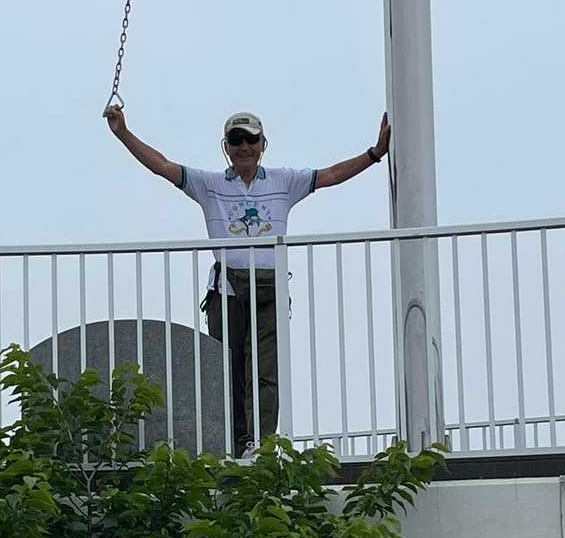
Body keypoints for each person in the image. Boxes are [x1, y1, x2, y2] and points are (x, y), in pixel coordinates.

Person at [103, 104, 391, 456]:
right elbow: (162, 166)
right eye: (236, 140)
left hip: (269, 287)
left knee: (265, 371)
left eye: (251, 139)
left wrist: (375, 153)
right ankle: (232, 444)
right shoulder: (209, 185)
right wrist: (123, 133)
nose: (244, 147)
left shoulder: (283, 181)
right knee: (228, 370)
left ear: (263, 144)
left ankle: (261, 444)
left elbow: (330, 174)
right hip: (226, 288)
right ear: (226, 146)